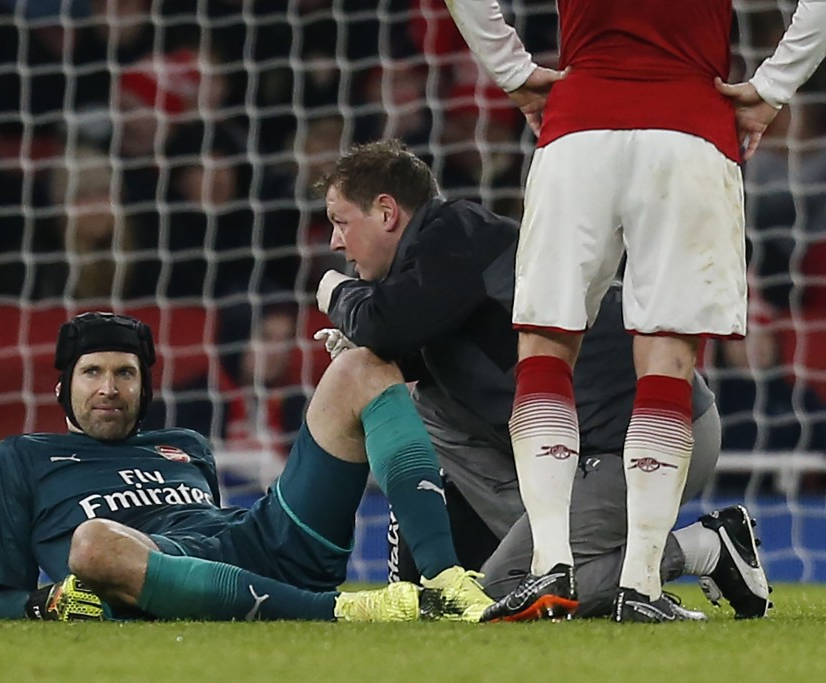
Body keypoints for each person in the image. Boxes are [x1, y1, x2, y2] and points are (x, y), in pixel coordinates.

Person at [440, 0, 826, 620]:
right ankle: (640, 584)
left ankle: (548, 569)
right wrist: (774, 86)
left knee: (545, 344)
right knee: (667, 355)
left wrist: (510, 68)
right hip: (690, 131)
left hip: (580, 127)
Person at [314, 139, 770, 621]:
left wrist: (335, 290)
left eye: (341, 222)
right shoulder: (437, 263)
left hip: (651, 437)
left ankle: (707, 548)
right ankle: (578, 562)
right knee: (423, 402)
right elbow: (403, 339)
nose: (335, 243)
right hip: (579, 449)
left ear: (386, 212)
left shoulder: (454, 236)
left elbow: (383, 323)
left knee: (509, 592)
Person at [0, 311, 494, 622]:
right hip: (157, 564)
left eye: (125, 373)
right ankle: (347, 611)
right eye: (92, 373)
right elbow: (0, 597)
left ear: (144, 387)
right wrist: (47, 603)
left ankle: (448, 580)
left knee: (361, 365)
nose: (109, 388)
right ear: (63, 388)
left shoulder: (186, 444)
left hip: (261, 541)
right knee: (91, 545)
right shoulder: (21, 457)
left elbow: (212, 527)